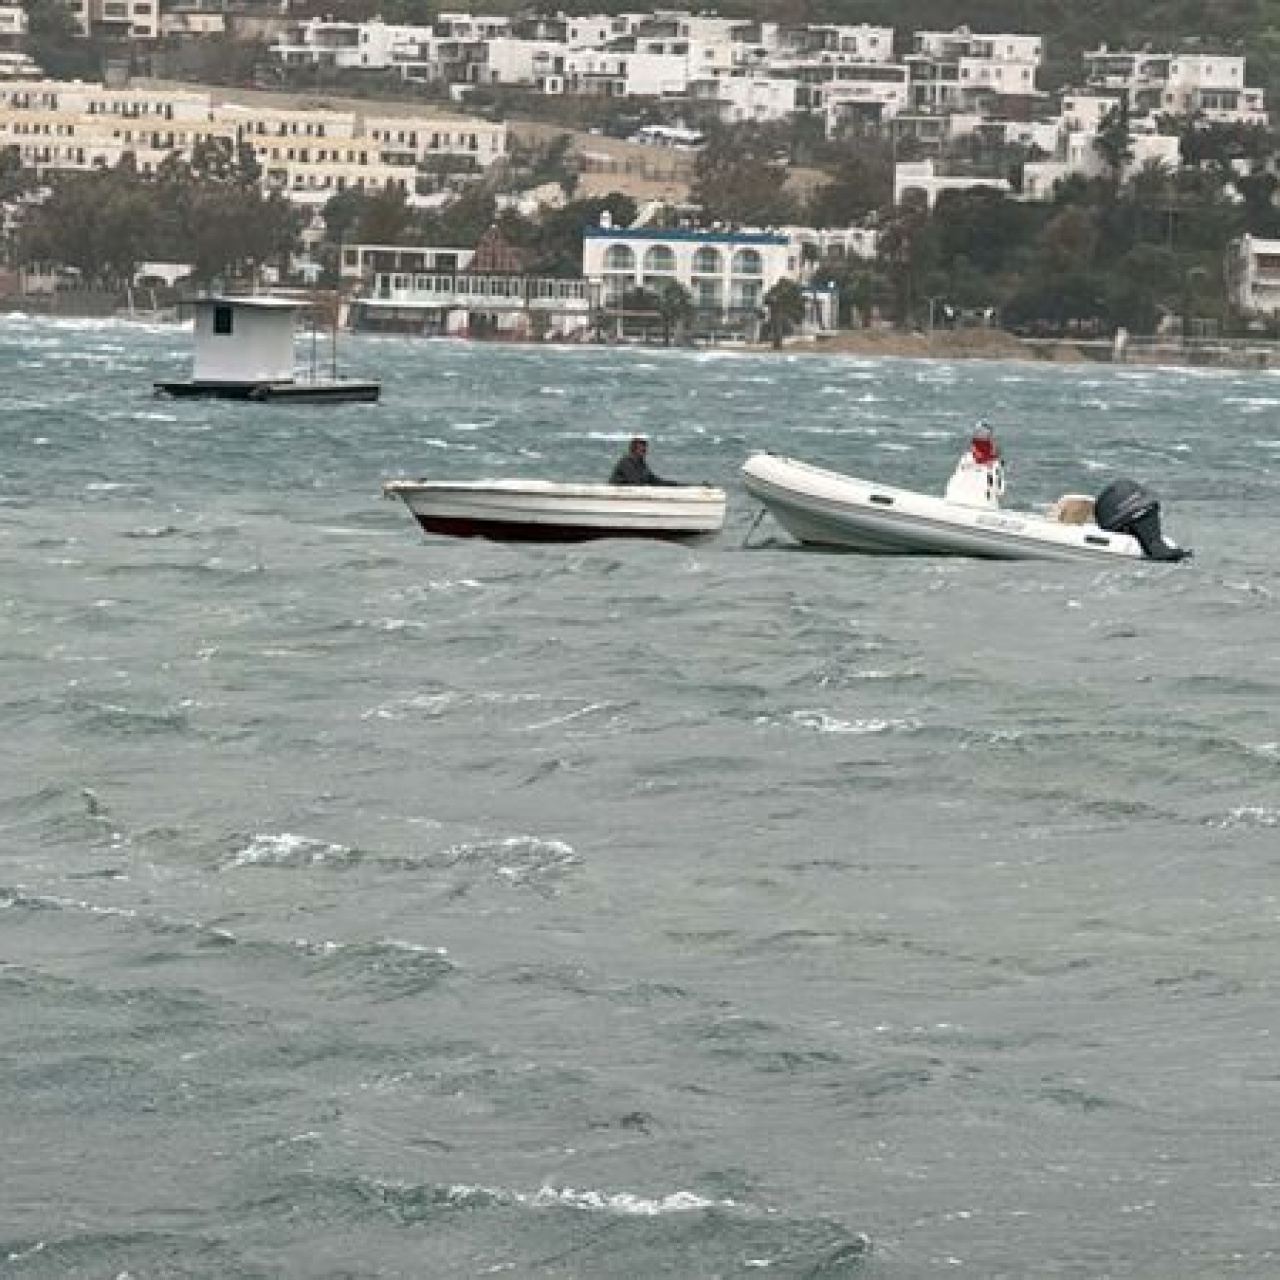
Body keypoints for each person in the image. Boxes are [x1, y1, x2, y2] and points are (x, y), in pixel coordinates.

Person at [944, 420, 1006, 508]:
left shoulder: (995, 464)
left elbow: (999, 490)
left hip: (983, 506)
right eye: (979, 432)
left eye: (984, 433)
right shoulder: (967, 458)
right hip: (957, 501)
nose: (981, 435)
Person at [609, 436, 680, 486]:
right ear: (634, 450)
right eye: (643, 450)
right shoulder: (625, 463)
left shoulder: (641, 463)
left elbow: (653, 479)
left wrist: (674, 484)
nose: (645, 452)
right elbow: (635, 482)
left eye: (645, 450)